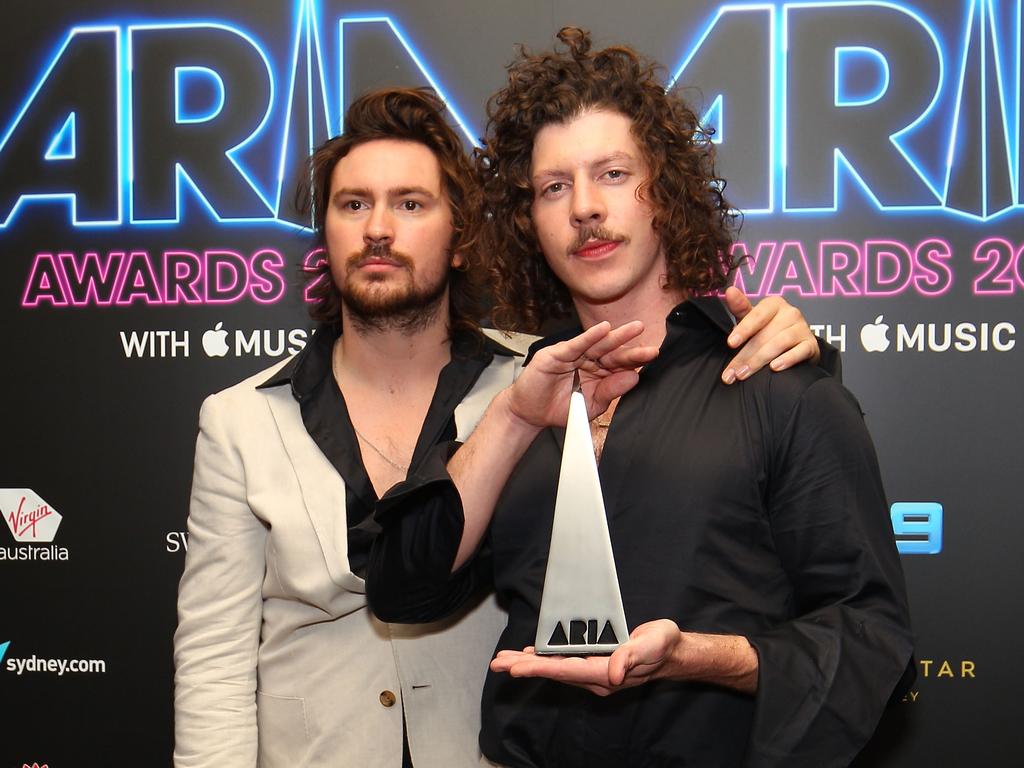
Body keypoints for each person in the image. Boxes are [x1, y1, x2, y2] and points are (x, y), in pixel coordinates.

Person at [173, 87, 826, 767]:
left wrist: (770, 334)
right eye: (354, 204)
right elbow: (213, 660)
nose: (377, 229)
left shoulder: (549, 377)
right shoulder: (241, 419)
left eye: (411, 203)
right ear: (326, 236)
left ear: (460, 240)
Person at [366, 30, 914, 768]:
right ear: (528, 219)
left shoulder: (777, 384)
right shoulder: (512, 397)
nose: (585, 208)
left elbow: (871, 640)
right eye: (554, 187)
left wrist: (699, 657)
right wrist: (520, 416)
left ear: (668, 190)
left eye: (614, 174)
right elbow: (404, 585)